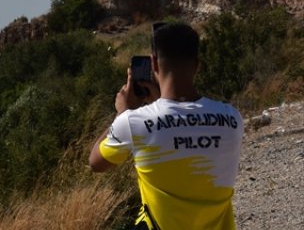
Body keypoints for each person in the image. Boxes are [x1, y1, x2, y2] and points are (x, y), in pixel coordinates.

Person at [89, 22, 243, 229]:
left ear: (154, 64)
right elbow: (184, 126)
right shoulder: (232, 118)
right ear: (197, 64)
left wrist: (122, 113)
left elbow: (96, 162)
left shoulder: (134, 122)